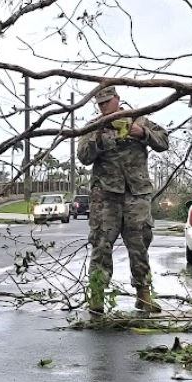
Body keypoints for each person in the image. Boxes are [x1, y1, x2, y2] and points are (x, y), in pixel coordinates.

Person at [77, 85, 169, 314]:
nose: (104, 106)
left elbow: (163, 142)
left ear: (117, 99)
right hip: (106, 197)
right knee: (101, 245)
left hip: (136, 195)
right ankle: (97, 297)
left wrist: (142, 134)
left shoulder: (138, 120)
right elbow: (83, 157)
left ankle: (144, 295)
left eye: (107, 101)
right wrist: (98, 138)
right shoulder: (94, 126)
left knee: (139, 245)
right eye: (100, 104)